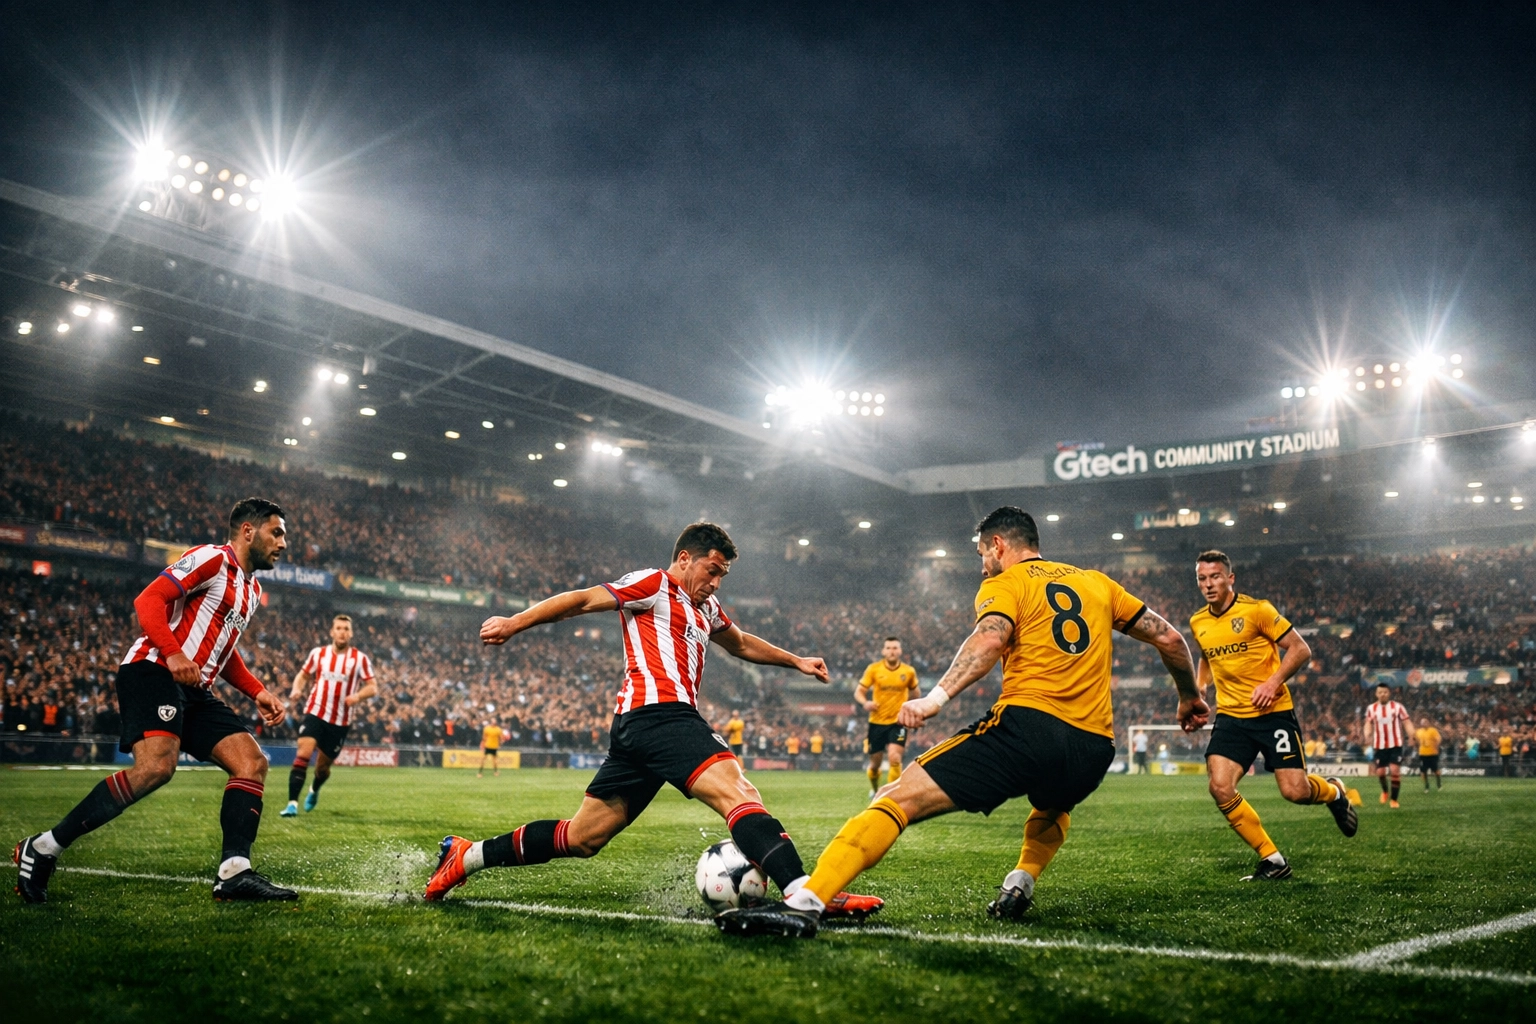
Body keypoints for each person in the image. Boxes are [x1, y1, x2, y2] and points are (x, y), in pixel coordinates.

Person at [717, 506, 1206, 939]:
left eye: (981, 554)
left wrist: (935, 697)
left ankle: (805, 904)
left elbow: (990, 640)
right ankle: (1021, 883)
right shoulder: (1098, 583)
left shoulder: (1005, 583)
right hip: (1096, 746)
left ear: (998, 545)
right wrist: (1188, 697)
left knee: (895, 798)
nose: (981, 564)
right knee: (1054, 805)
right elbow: (1170, 640)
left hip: (1028, 727)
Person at [424, 522, 882, 920]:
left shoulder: (705, 608)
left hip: (641, 727)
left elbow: (741, 644)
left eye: (723, 574)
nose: (717, 581)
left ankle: (467, 857)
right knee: (739, 792)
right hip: (660, 714)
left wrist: (795, 660)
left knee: (584, 837)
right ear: (685, 559)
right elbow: (583, 600)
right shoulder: (654, 584)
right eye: (713, 570)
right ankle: (806, 893)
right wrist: (515, 621)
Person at [13, 498, 297, 903]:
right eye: (277, 532)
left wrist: (257, 691)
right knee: (157, 767)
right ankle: (42, 848)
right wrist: (174, 653)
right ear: (248, 531)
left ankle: (234, 872)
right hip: (153, 670)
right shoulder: (211, 559)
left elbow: (223, 650)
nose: (283, 543)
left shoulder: (251, 589)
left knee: (252, 762)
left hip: (196, 689)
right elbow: (148, 601)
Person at [1190, 550, 1359, 881]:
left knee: (1295, 792)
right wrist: (1199, 690)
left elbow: (1300, 648)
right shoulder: (1199, 621)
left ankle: (1335, 792)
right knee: (1220, 787)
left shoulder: (1257, 610)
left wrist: (1272, 682)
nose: (1209, 584)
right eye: (1202, 578)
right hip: (1231, 718)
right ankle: (1273, 860)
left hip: (1273, 713)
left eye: (1215, 576)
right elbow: (1206, 656)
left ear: (1230, 578)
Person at [282, 614, 377, 816]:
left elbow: (373, 687)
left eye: (346, 629)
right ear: (332, 632)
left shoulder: (359, 659)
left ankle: (314, 789)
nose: (342, 632)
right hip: (315, 711)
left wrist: (357, 696)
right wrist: (297, 689)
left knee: (322, 769)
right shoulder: (318, 654)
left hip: (340, 722)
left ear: (350, 634)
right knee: (303, 754)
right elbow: (303, 675)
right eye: (339, 628)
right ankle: (292, 804)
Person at [855, 637, 921, 796]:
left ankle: (889, 796)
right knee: (875, 765)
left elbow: (916, 693)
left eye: (895, 648)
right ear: (883, 651)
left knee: (895, 758)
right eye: (889, 648)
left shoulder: (908, 671)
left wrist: (912, 709)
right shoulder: (874, 669)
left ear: (900, 651)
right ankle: (876, 788)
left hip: (898, 722)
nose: (892, 651)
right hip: (876, 722)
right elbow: (859, 692)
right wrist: (865, 703)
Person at [1365, 683, 1413, 808]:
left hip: (1395, 744)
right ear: (1376, 694)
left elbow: (1407, 722)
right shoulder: (1371, 708)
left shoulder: (1397, 707)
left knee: (1394, 770)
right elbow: (1368, 723)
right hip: (1379, 746)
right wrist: (1367, 733)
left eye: (1385, 692)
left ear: (1389, 693)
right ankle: (1385, 792)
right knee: (1380, 772)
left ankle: (1394, 800)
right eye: (1380, 692)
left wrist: (1411, 735)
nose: (1382, 694)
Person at [1415, 721, 1443, 791]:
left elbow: (1438, 739)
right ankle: (1427, 786)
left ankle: (1439, 785)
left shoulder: (1433, 730)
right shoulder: (1418, 731)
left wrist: (1436, 746)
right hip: (1423, 754)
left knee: (1435, 770)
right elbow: (1417, 740)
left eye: (1425, 722)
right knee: (1424, 771)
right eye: (1422, 722)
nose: (1424, 724)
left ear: (1428, 723)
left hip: (1432, 754)